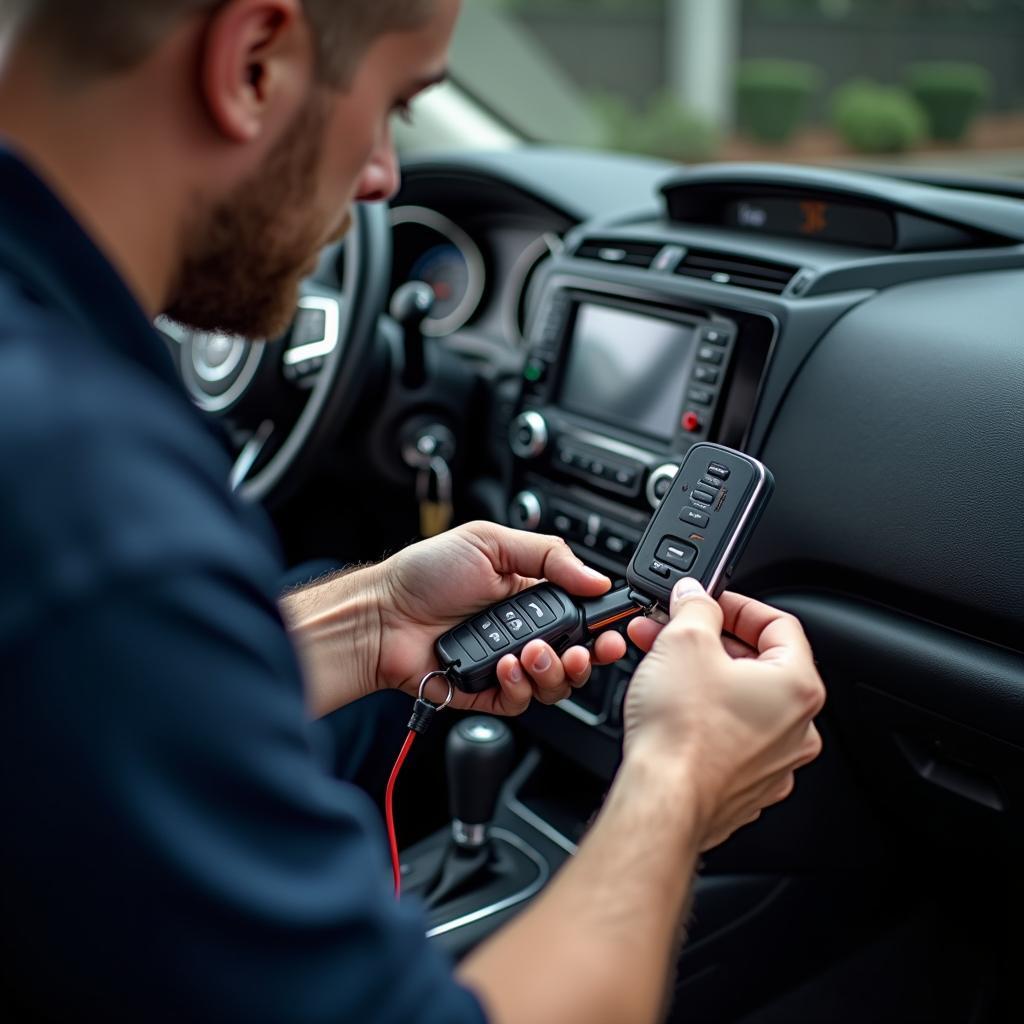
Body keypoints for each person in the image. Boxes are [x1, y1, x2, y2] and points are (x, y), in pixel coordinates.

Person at [0, 1, 826, 1022]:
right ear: (254, 61)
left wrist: (370, 620)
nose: (387, 174)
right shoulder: (97, 508)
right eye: (394, 104)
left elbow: (79, 681)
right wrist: (676, 783)